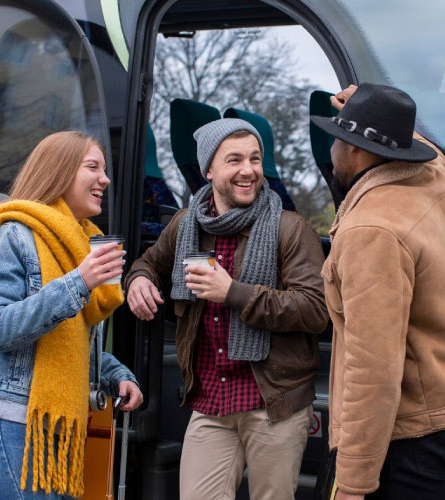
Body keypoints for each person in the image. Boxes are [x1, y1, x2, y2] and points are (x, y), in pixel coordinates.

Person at [0, 131, 143, 499]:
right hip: (10, 420)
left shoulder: (80, 242)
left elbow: (69, 343)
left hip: (55, 428)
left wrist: (116, 375)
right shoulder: (15, 233)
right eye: (92, 167)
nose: (105, 179)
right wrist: (79, 281)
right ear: (59, 172)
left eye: (104, 170)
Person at [125, 118, 328, 500]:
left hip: (274, 403)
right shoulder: (187, 225)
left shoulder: (290, 228)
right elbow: (147, 262)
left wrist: (234, 293)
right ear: (209, 171)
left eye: (254, 159)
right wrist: (138, 280)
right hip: (211, 401)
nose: (248, 170)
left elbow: (316, 309)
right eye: (234, 160)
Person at [311, 84, 445, 500]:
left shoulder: (371, 232)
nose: (332, 147)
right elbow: (428, 150)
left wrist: (353, 484)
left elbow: (374, 372)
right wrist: (378, 109)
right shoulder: (429, 175)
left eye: (338, 137)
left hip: (409, 434)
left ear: (354, 150)